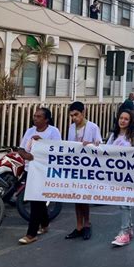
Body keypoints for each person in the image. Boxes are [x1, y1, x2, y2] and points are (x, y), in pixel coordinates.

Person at [16, 108, 61, 244]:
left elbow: (58, 150)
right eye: (34, 116)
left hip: (45, 170)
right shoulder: (30, 131)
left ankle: (31, 233)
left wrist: (41, 142)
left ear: (46, 119)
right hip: (31, 169)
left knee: (36, 200)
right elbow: (21, 149)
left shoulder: (53, 131)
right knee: (38, 200)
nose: (35, 118)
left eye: (39, 117)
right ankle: (45, 223)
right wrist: (26, 155)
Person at [107, 110, 134, 246]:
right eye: (121, 118)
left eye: (126, 119)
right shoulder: (113, 136)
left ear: (130, 122)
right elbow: (105, 152)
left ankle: (124, 232)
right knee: (122, 202)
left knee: (125, 202)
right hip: (116, 175)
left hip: (128, 176)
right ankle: (129, 229)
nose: (122, 121)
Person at [65, 101, 102, 241]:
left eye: (76, 115)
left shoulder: (92, 127)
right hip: (75, 166)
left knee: (84, 196)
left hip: (88, 167)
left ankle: (87, 223)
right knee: (76, 196)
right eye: (72, 115)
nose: (74, 118)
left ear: (83, 113)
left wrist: (91, 145)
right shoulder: (71, 128)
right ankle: (79, 225)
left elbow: (99, 145)